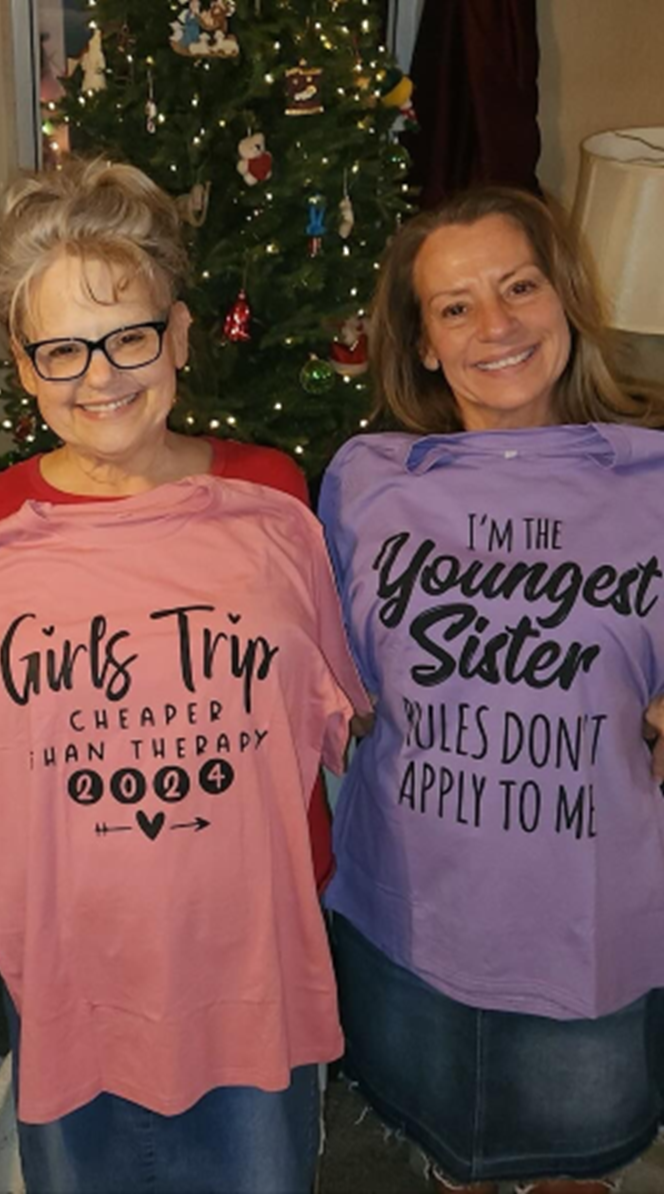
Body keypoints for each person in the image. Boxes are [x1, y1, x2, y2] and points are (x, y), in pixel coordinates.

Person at [0, 158, 370, 1193]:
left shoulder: (271, 492)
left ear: (183, 336)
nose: (99, 375)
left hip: (245, 947)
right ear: (22, 365)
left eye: (130, 336)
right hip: (72, 948)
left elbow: (335, 714)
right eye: (61, 348)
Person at [319, 185, 664, 1194]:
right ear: (423, 343)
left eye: (518, 287)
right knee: (450, 1163)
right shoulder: (367, 481)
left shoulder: (652, 481)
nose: (496, 325)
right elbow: (315, 662)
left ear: (564, 297)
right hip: (414, 913)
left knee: (572, 1175)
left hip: (587, 930)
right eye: (455, 306)